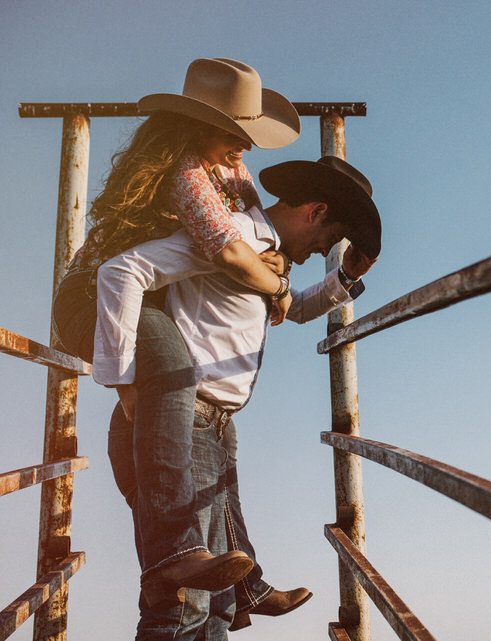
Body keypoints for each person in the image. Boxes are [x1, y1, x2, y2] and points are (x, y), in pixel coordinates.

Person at [51, 58, 308, 613]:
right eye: (233, 136)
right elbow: (235, 255)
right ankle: (176, 551)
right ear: (199, 129)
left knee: (176, 359)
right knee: (171, 356)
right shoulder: (186, 175)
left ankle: (238, 581)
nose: (245, 150)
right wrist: (123, 384)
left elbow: (262, 248)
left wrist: (281, 278)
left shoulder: (230, 174)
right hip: (89, 298)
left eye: (247, 136)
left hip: (138, 302)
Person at [95, 155, 381, 639]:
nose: (320, 251)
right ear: (315, 212)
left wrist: (345, 279)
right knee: (184, 603)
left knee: (218, 603)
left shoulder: (268, 256)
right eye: (329, 240)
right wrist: (124, 380)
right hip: (183, 418)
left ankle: (251, 589)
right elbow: (123, 273)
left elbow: (295, 308)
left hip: (214, 424)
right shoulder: (235, 240)